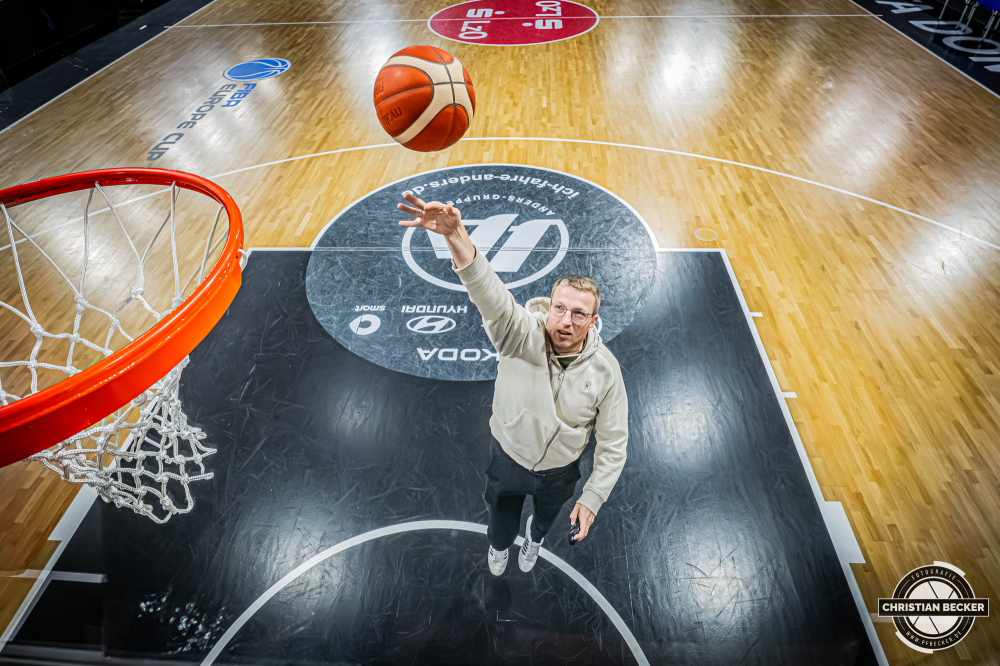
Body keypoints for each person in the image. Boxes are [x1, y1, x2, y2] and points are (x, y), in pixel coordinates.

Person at [397, 193, 629, 575]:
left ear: (593, 321)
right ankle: (501, 548)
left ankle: (534, 541)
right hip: (509, 457)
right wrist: (456, 236)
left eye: (578, 313)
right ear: (549, 306)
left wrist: (593, 495)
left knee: (543, 522)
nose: (565, 321)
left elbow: (613, 441)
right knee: (500, 524)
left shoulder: (606, 371)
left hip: (561, 469)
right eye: (559, 308)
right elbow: (489, 294)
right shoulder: (519, 335)